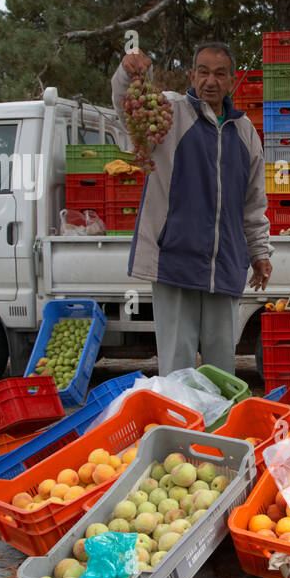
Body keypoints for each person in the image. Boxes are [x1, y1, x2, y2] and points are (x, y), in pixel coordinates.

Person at [111, 41, 272, 376]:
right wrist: (128, 74)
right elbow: (128, 106)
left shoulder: (245, 133)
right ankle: (177, 426)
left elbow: (253, 203)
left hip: (225, 263)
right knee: (177, 366)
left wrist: (259, 252)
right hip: (175, 260)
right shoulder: (170, 113)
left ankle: (218, 427)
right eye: (203, 72)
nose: (210, 81)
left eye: (219, 73)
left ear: (232, 80)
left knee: (222, 371)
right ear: (192, 75)